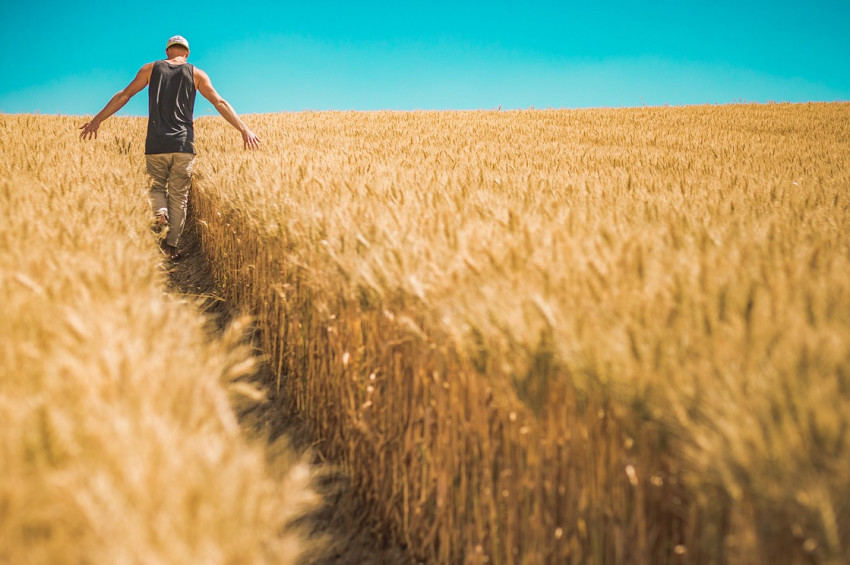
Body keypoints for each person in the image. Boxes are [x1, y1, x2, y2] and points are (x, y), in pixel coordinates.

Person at [80, 35, 260, 260]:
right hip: (183, 144)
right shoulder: (197, 73)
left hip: (156, 143)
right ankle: (171, 247)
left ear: (167, 52)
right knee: (179, 196)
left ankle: (159, 212)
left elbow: (124, 95)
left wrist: (97, 120)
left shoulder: (150, 69)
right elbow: (219, 103)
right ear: (186, 53)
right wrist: (244, 130)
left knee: (156, 188)